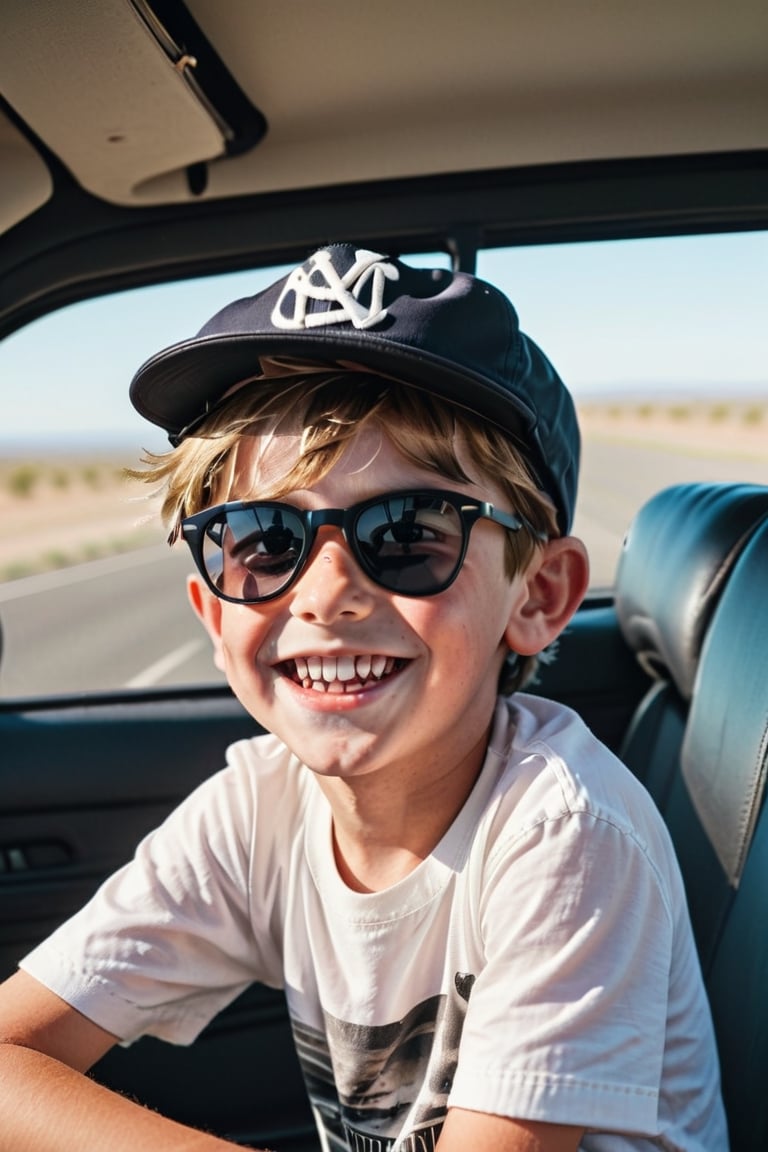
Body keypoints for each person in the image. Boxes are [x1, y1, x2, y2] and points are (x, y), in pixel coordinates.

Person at [0, 245, 726, 1151]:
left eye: (409, 532)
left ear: (538, 597)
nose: (323, 592)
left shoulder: (565, 833)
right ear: (211, 609)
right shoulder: (260, 807)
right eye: (263, 539)